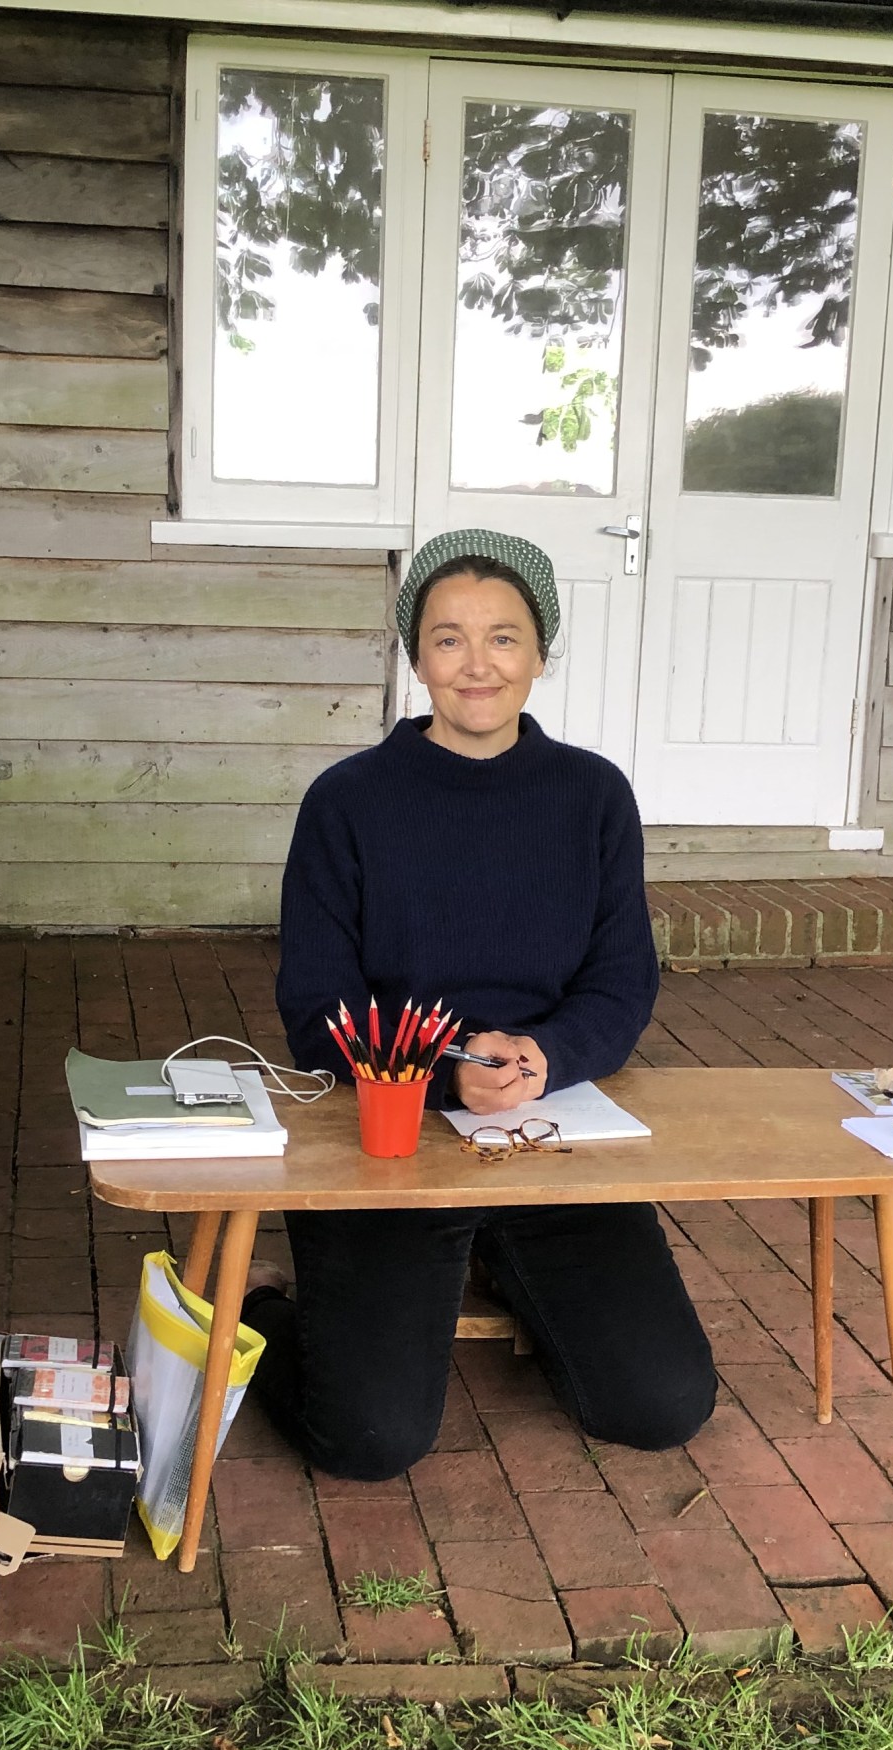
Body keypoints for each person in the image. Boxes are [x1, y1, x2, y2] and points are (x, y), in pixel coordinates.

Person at [251, 528, 716, 1482]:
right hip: (391, 1128)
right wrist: (442, 1073)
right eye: (449, 637)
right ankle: (268, 1315)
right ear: (415, 654)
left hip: (550, 1124)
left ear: (541, 652)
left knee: (661, 1404)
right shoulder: (349, 802)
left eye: (503, 637)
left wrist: (546, 1054)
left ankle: (506, 1256)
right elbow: (317, 1006)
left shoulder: (593, 796)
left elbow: (624, 982)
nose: (477, 664)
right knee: (368, 1441)